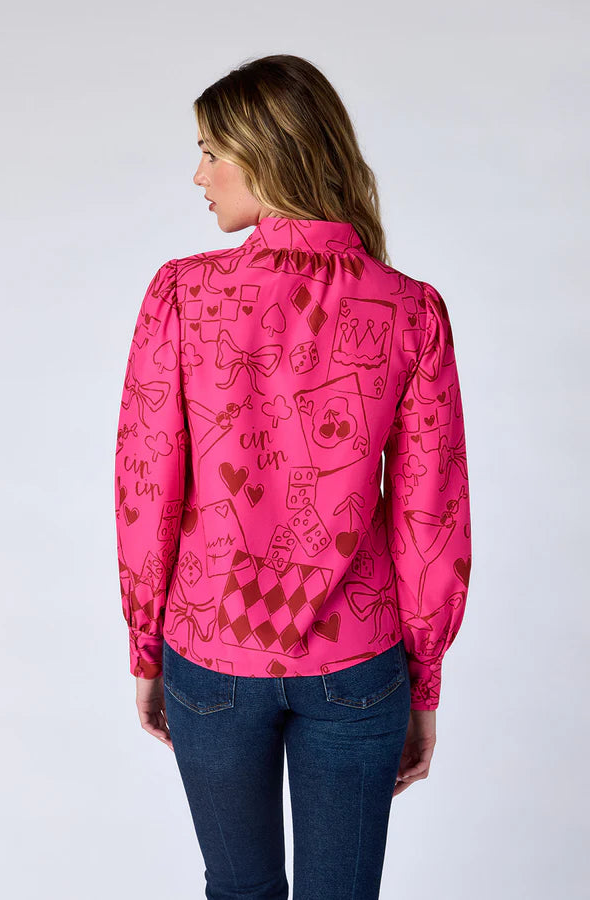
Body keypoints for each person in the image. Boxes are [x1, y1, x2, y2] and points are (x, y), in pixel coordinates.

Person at [114, 53, 472, 900]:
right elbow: (431, 518)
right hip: (359, 662)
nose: (198, 175)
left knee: (239, 892)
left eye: (211, 152)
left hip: (210, 650)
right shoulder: (410, 309)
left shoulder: (181, 296)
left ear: (266, 154)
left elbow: (145, 487)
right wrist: (423, 684)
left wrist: (145, 647)